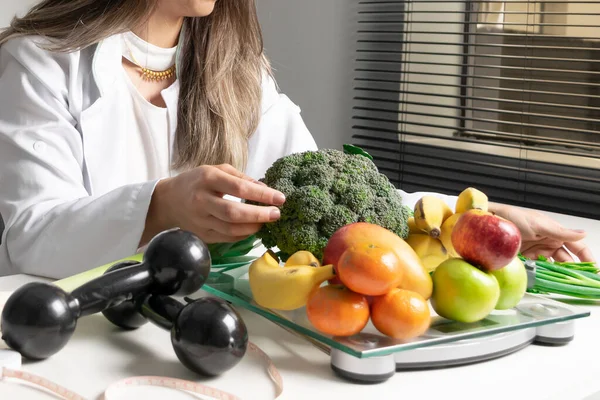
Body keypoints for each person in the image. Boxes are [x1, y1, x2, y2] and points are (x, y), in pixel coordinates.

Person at [0, 0, 594, 279]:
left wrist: (470, 222)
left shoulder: (238, 69)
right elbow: (32, 238)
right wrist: (161, 206)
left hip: (211, 336)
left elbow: (330, 200)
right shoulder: (39, 63)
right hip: (71, 336)